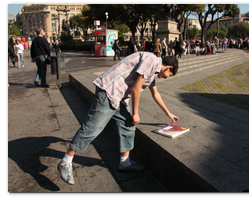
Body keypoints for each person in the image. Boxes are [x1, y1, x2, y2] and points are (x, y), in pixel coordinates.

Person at [57, 52, 180, 185]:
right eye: (169, 76)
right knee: (92, 128)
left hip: (118, 97)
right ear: (169, 68)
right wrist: (135, 113)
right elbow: (136, 89)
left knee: (127, 125)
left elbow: (155, 94)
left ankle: (125, 163)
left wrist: (168, 113)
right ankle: (65, 162)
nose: (165, 78)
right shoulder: (152, 61)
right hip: (109, 92)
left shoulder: (153, 71)